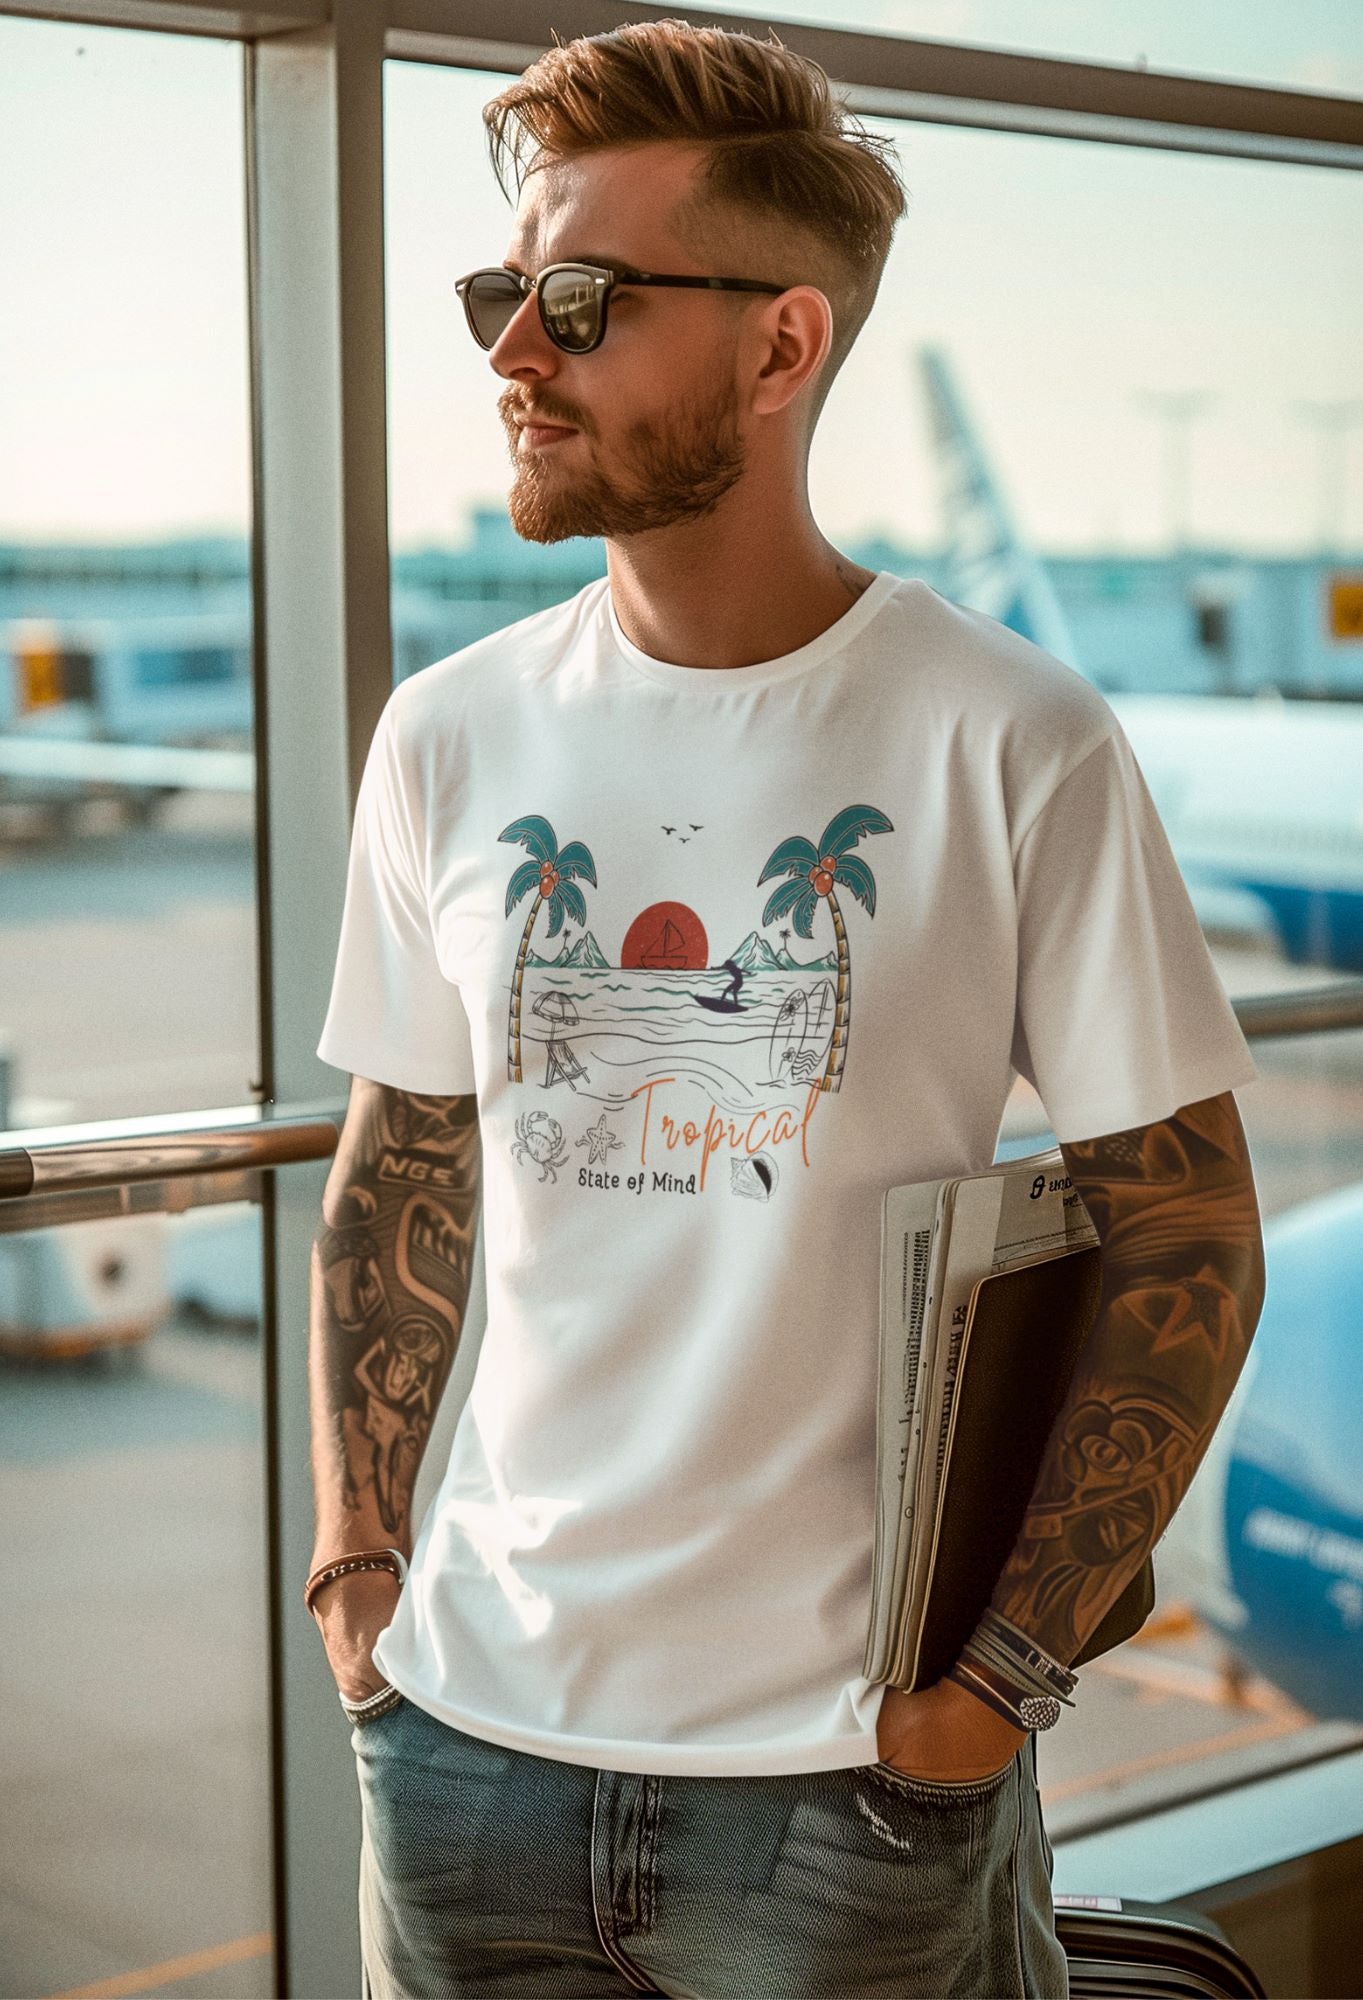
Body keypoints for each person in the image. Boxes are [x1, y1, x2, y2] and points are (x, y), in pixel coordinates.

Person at [308, 18, 1265, 1997]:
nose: (509, 351)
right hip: (467, 1751)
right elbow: (399, 1165)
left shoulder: (1011, 737)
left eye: (576, 298)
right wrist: (359, 1590)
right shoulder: (449, 734)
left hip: (845, 1787)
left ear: (777, 344)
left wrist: (988, 1692)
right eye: (502, 291)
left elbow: (1184, 1224)